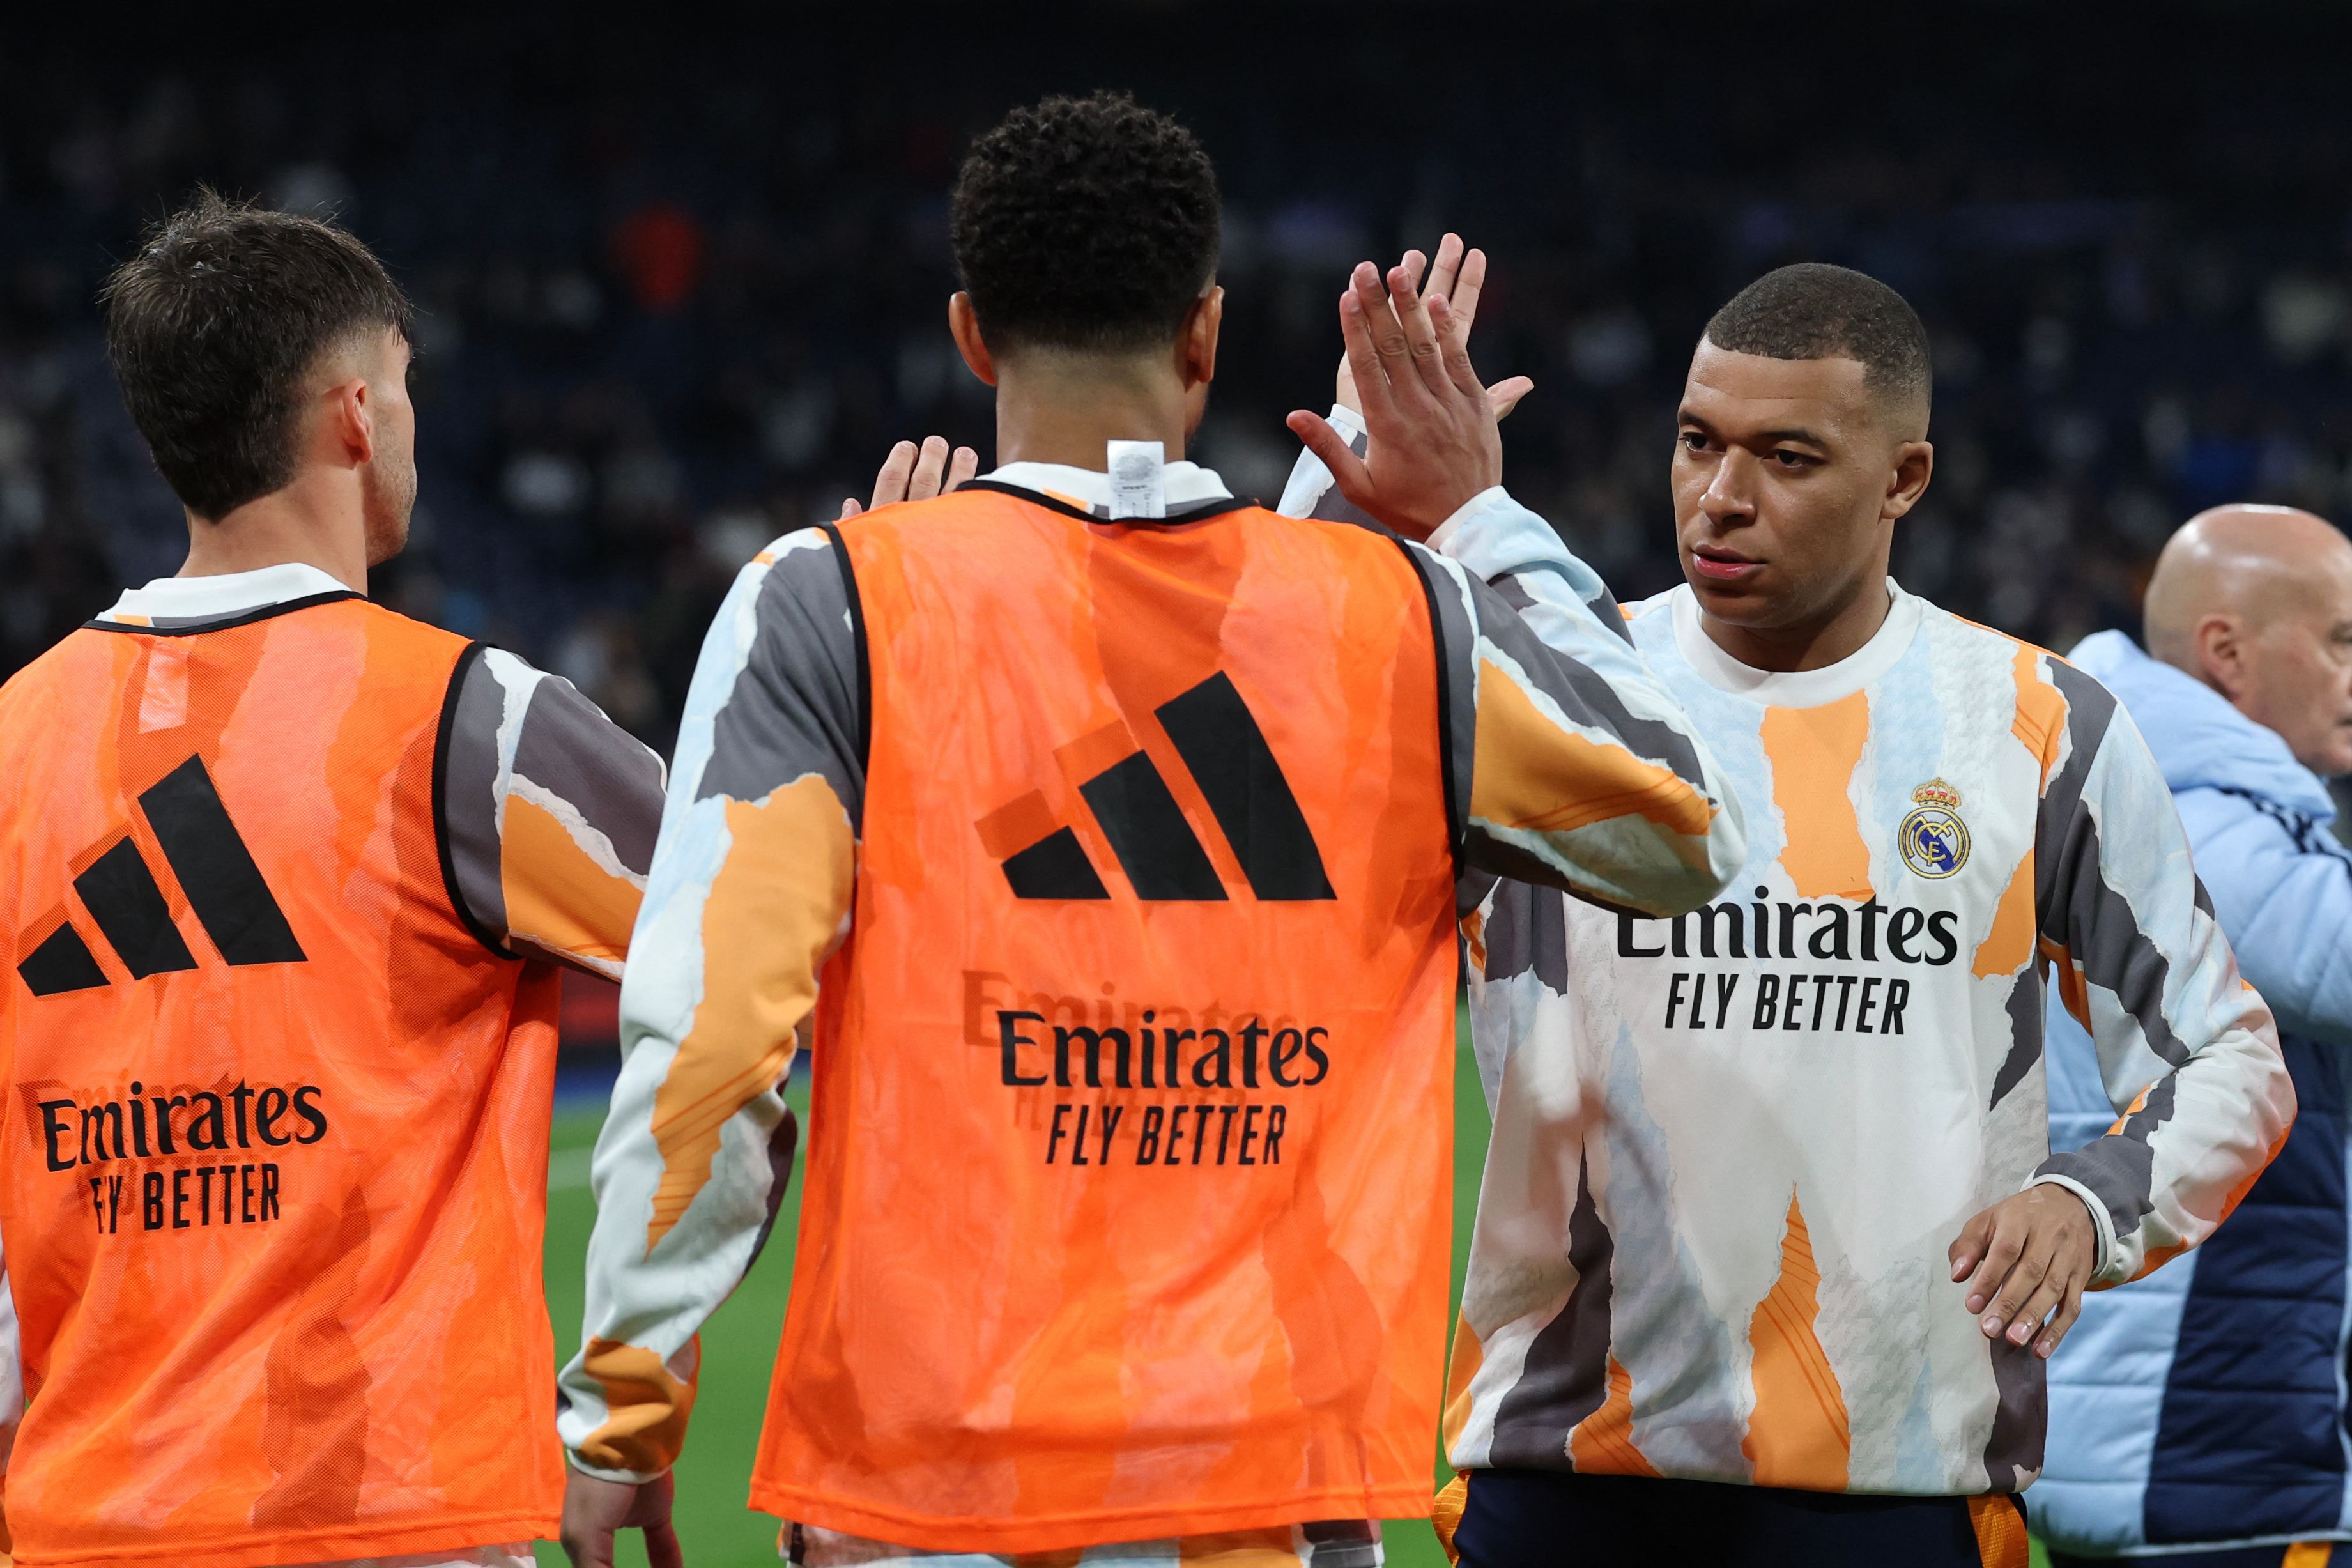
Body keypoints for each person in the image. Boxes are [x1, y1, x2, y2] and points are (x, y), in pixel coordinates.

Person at [555, 91, 1747, 1568]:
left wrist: (626, 1404)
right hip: (1265, 1494)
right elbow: (1689, 823)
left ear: (971, 335)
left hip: (931, 1506)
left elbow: (709, 1042)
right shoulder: (1403, 623)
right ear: (1204, 334)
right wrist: (1474, 523)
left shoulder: (830, 603)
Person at [1285, 261, 2294, 1568]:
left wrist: (2089, 1198)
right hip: (1565, 1471)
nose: (1721, 495)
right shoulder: (1550, 706)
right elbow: (1260, 820)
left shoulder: (2034, 724)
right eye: (1697, 443)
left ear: (1903, 481)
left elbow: (2225, 1056)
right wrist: (1320, 509)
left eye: (1787, 456)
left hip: (1894, 1486)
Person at [0, 194, 672, 1568]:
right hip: (395, 1518)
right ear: (357, 414)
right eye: (409, 388)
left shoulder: (12, 741)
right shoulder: (472, 725)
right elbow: (773, 960)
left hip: (83, 1525)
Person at [2031, 505, 2352, 1567]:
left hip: (2186, 1429)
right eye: (2342, 640)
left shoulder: (2178, 794)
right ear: (2226, 652)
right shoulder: (2185, 812)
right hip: (2205, 1450)